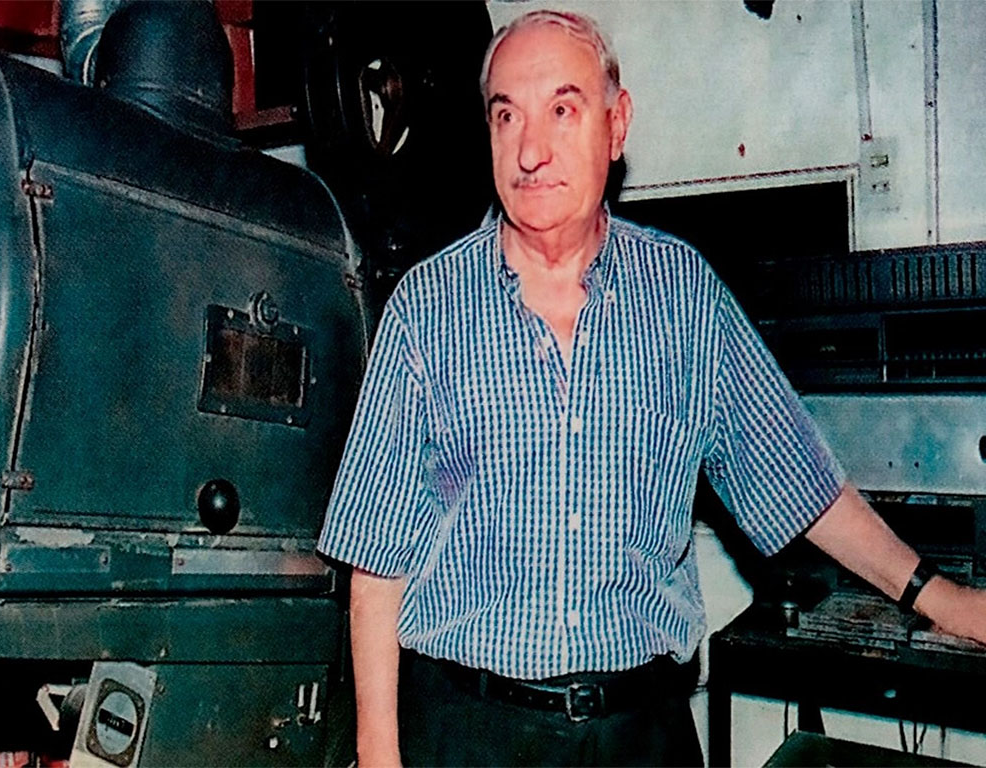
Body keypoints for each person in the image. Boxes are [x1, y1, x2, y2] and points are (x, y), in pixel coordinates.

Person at [318, 9, 986, 767]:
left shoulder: (682, 296)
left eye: (562, 110)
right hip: (469, 733)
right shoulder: (427, 307)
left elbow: (802, 484)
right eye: (508, 116)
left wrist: (942, 597)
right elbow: (375, 558)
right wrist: (378, 751)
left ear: (617, 124)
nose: (531, 151)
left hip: (643, 735)